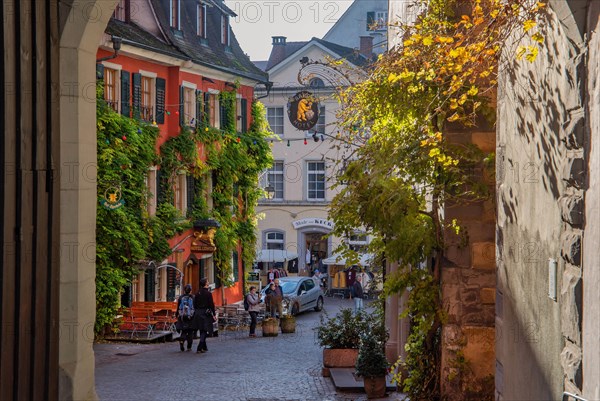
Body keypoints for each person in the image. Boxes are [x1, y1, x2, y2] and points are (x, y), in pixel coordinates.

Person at [193, 278, 216, 353]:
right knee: (204, 331)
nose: (209, 282)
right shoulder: (208, 293)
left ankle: (204, 347)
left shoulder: (197, 293)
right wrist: (214, 314)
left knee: (202, 329)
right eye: (208, 281)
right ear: (206, 284)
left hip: (198, 313)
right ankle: (199, 347)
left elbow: (195, 304)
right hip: (205, 313)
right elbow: (211, 304)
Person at [176, 284, 195, 352]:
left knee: (183, 331)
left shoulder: (181, 297)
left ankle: (181, 341)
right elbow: (194, 307)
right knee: (190, 332)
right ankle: (189, 347)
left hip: (182, 317)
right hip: (191, 317)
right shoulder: (193, 297)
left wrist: (177, 315)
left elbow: (178, 307)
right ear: (190, 290)